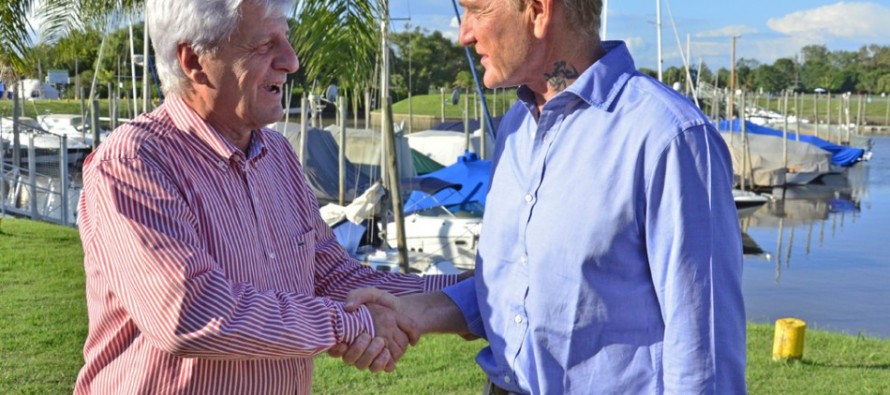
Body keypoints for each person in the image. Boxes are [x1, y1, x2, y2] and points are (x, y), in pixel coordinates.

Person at [343, 0, 747, 393]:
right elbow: (516, 286)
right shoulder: (517, 126)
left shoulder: (668, 138)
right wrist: (415, 311)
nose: (463, 34)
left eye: (477, 10)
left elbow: (704, 351)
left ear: (538, 11)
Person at [73, 0, 462, 393]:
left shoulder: (277, 155)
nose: (291, 62)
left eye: (286, 40)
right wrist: (353, 323)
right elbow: (190, 312)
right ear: (194, 60)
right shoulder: (133, 163)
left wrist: (465, 295)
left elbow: (330, 276)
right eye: (264, 45)